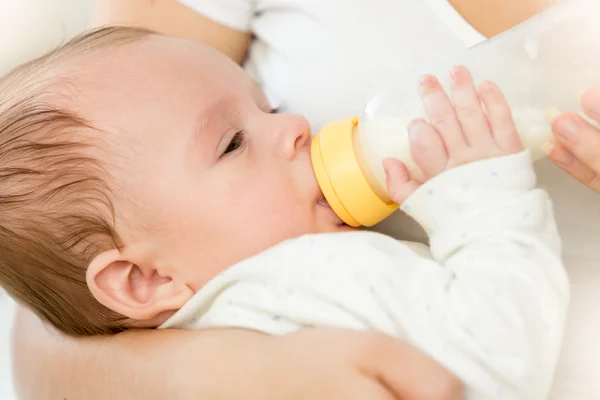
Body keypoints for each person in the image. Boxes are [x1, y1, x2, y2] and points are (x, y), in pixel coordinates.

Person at [12, 0, 600, 398]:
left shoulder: (227, 300)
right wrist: (483, 197)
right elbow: (501, 357)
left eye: (266, 104)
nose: (295, 124)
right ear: (142, 280)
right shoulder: (309, 282)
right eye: (234, 142)